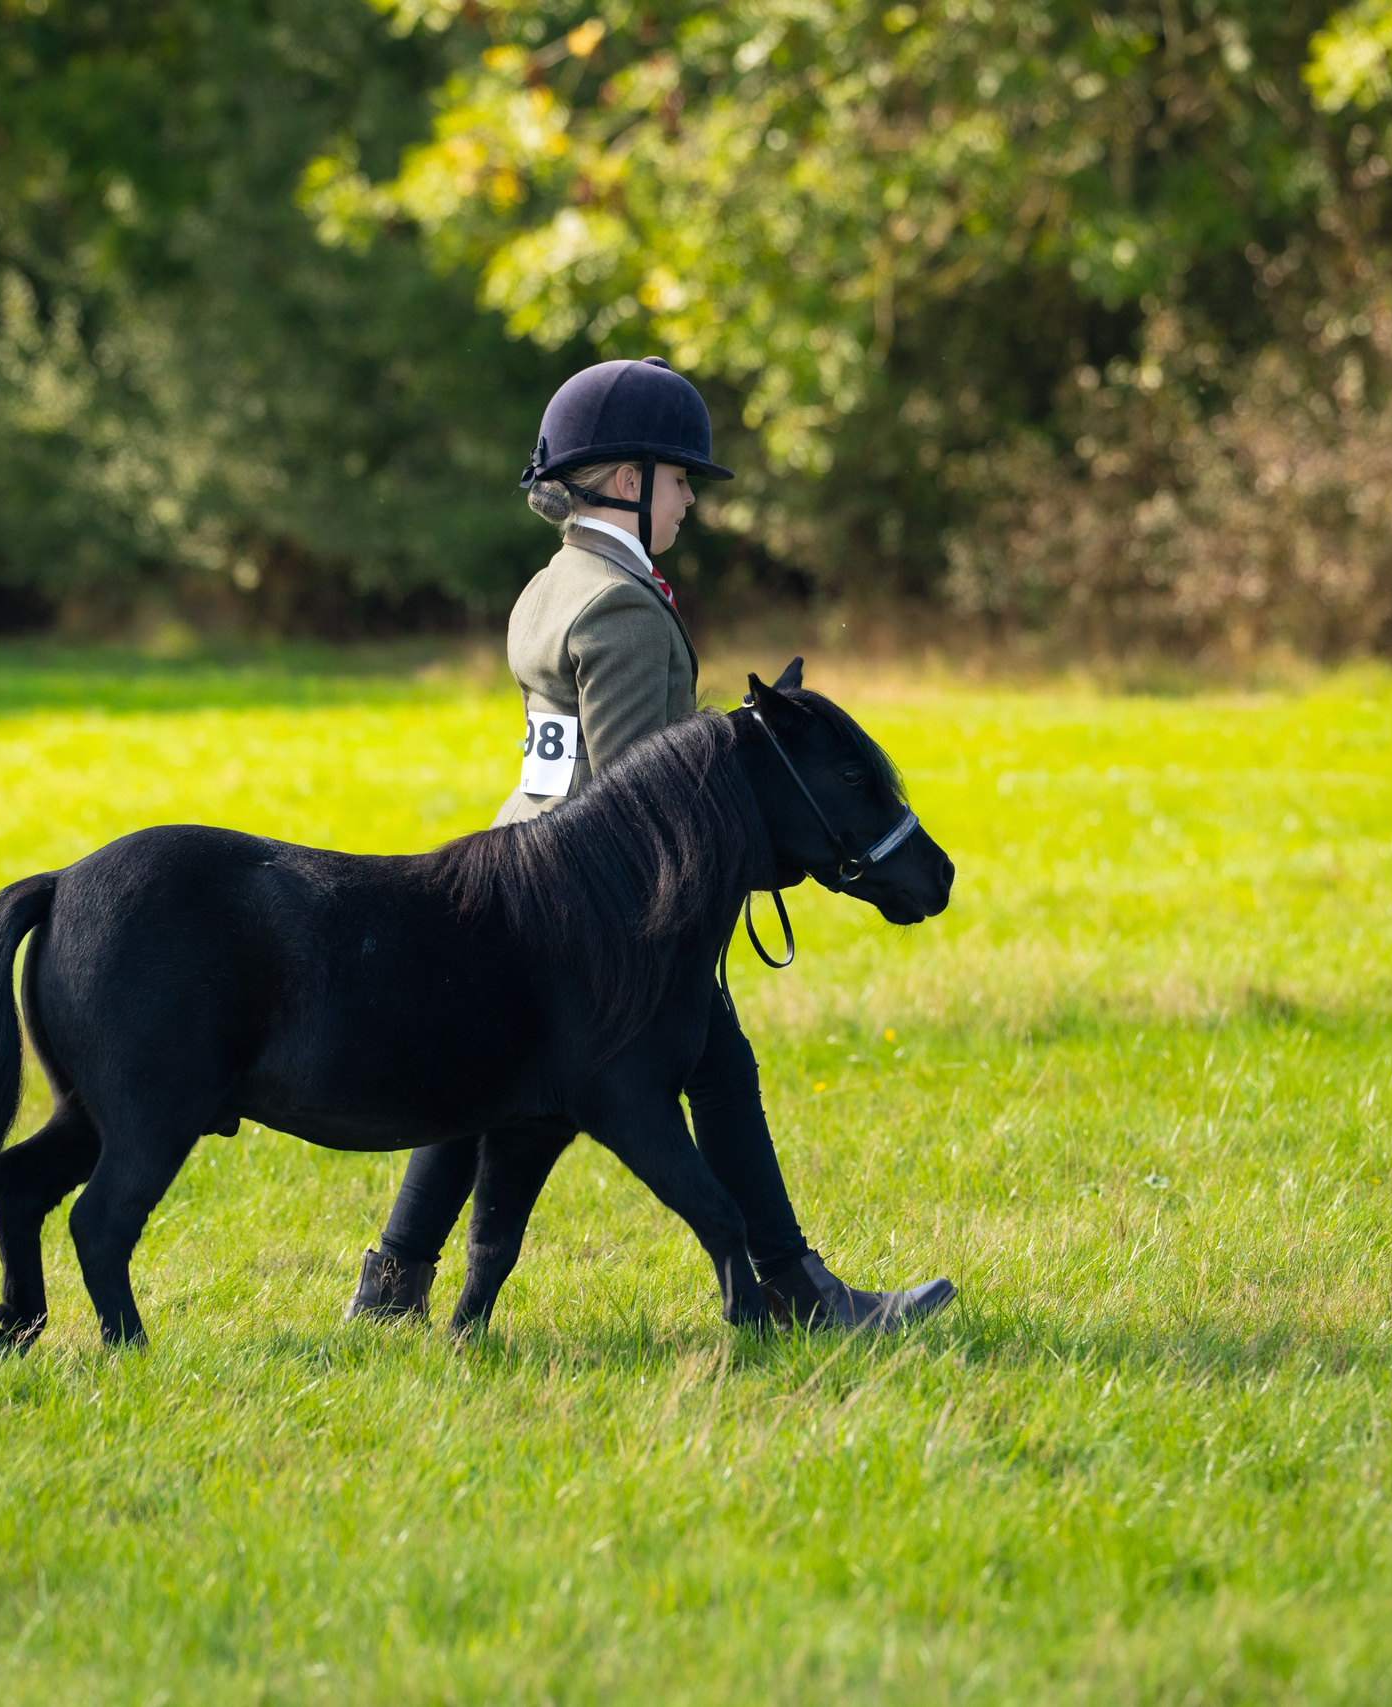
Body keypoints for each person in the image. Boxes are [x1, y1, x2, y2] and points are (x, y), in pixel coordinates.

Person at [343, 356, 955, 1332]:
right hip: (594, 905)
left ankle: (391, 1284)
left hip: (521, 856)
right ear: (624, 482)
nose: (688, 505)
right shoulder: (623, 605)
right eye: (679, 484)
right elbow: (640, 784)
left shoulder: (556, 583)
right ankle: (795, 1289)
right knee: (715, 1064)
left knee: (480, 1081)